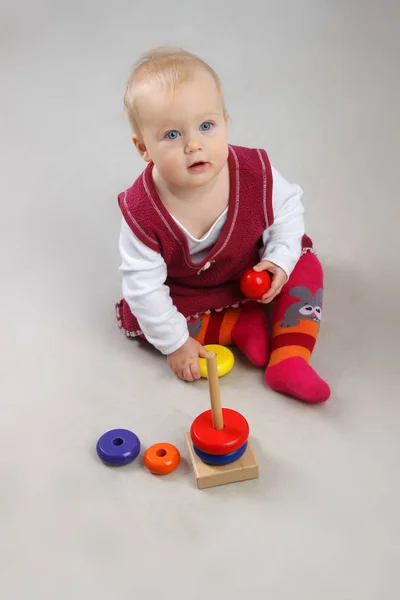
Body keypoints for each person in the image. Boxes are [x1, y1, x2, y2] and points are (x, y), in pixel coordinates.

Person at [116, 46, 330, 403]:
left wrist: (278, 259)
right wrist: (176, 344)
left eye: (206, 125)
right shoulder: (142, 212)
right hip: (187, 290)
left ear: (226, 122)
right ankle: (235, 324)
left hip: (250, 267)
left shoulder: (253, 173)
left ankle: (289, 358)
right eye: (172, 135)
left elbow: (289, 208)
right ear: (143, 149)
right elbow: (144, 286)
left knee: (305, 265)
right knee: (142, 315)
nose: (194, 144)